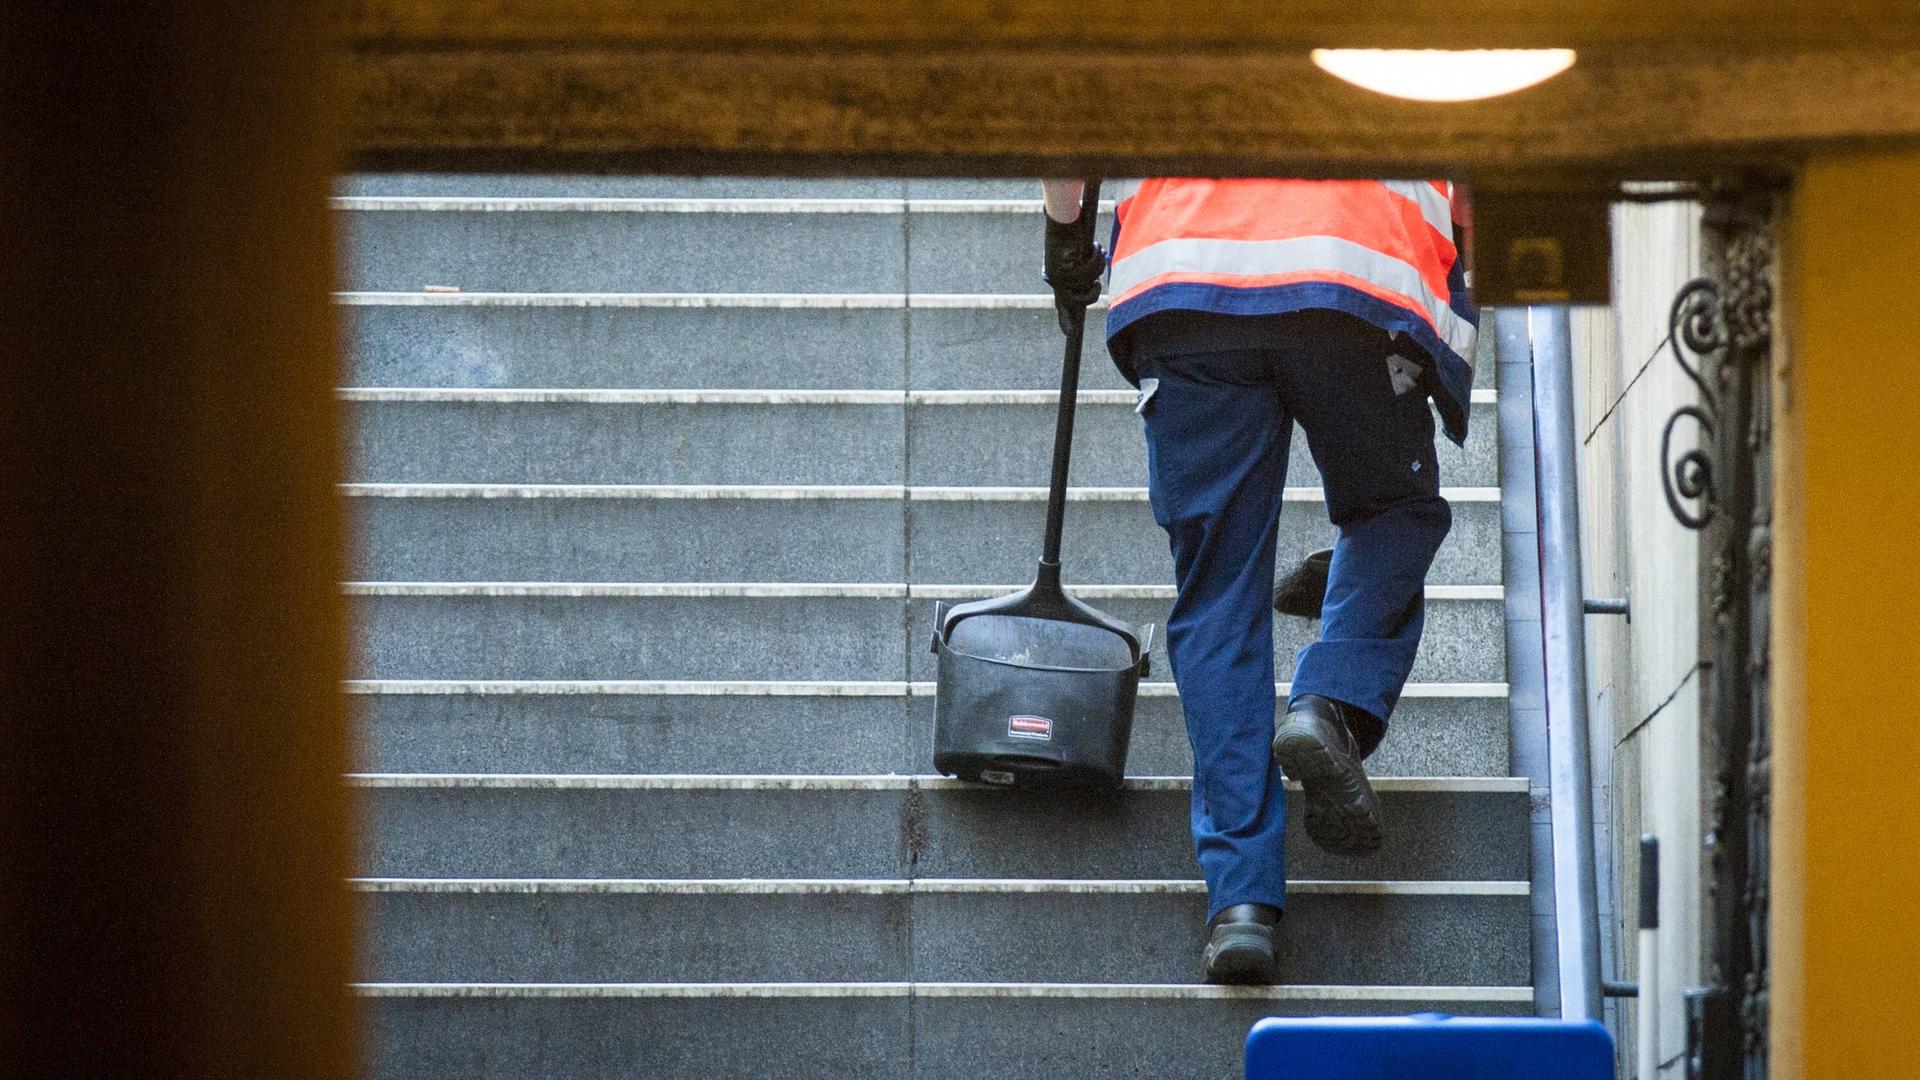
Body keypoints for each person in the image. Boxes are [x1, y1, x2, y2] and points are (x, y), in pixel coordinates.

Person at [1039, 177, 1477, 984]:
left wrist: (1065, 236)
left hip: (1187, 284)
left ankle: (1241, 903)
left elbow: (1061, 110)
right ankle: (1329, 704)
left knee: (1219, 600)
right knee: (1392, 511)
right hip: (1360, 272)